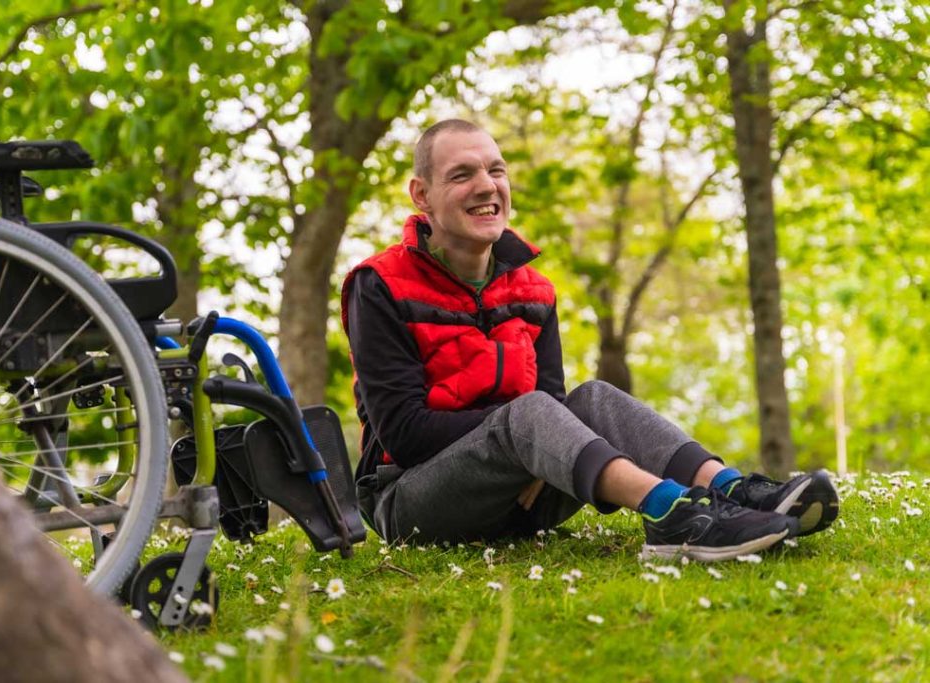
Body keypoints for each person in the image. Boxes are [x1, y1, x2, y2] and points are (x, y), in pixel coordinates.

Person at [340, 119, 838, 561]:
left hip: (526, 499)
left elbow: (559, 406)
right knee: (531, 411)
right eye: (462, 174)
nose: (486, 185)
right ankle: (671, 514)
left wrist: (538, 449)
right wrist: (525, 438)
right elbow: (403, 433)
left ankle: (734, 491)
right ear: (421, 195)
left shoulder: (534, 292)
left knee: (593, 396)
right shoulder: (378, 285)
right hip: (412, 503)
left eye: (496, 170)